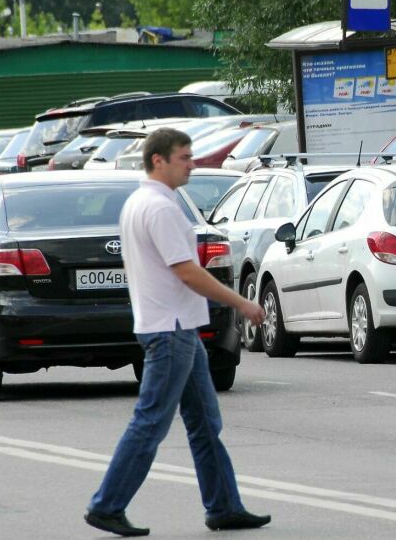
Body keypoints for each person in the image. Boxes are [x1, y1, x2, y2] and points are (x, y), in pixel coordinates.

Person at [85, 128, 269, 537]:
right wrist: (241, 303)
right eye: (184, 157)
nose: (192, 163)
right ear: (158, 160)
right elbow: (186, 271)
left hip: (176, 328)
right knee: (150, 421)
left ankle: (223, 506)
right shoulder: (160, 208)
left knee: (205, 422)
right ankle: (107, 504)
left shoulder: (141, 201)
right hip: (169, 331)